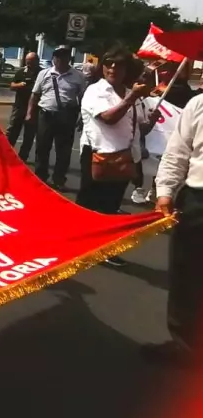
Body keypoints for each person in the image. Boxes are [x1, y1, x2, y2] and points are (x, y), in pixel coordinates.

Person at [76, 48, 152, 265]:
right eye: (109, 63)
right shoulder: (96, 91)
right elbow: (108, 118)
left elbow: (136, 129)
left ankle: (103, 248)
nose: (113, 69)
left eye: (119, 65)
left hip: (123, 158)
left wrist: (150, 121)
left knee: (111, 205)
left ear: (127, 70)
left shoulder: (129, 92)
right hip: (98, 155)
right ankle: (84, 244)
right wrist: (132, 97)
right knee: (90, 205)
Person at [147, 92, 203, 366]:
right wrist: (165, 191)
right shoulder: (198, 104)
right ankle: (185, 345)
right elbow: (177, 152)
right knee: (186, 274)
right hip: (197, 201)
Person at [28, 46, 88, 190]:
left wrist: (83, 117)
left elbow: (84, 98)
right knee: (42, 148)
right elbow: (35, 95)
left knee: (64, 151)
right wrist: (30, 112)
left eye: (64, 56)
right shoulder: (44, 73)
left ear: (69, 59)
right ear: (53, 58)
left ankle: (59, 179)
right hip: (46, 114)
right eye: (57, 56)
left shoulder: (78, 76)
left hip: (67, 116)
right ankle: (40, 177)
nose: (60, 59)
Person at [7, 53, 40, 161]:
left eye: (31, 62)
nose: (28, 64)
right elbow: (11, 86)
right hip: (19, 106)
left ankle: (22, 157)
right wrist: (20, 85)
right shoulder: (21, 72)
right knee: (12, 131)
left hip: (34, 108)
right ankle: (6, 153)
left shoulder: (42, 73)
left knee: (29, 135)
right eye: (27, 61)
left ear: (37, 61)